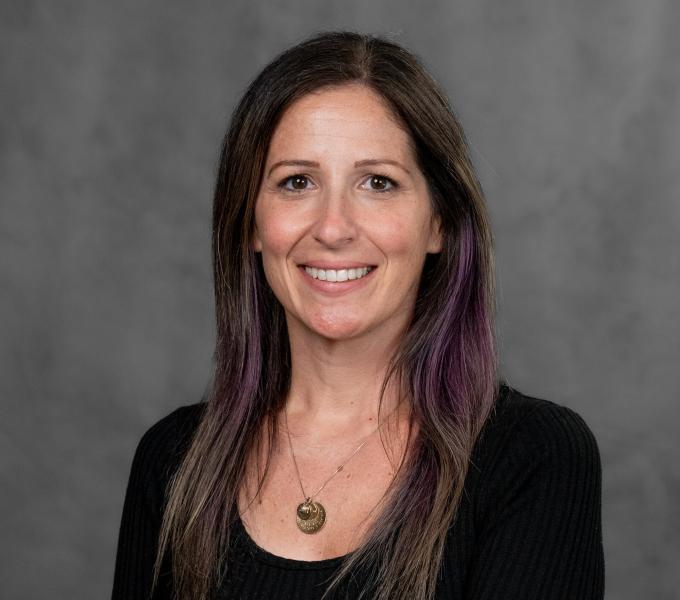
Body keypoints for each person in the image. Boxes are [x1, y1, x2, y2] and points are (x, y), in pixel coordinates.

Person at [111, 31, 605, 600]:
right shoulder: (174, 461)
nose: (333, 227)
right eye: (297, 182)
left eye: (378, 183)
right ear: (250, 222)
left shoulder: (532, 456)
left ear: (437, 223)